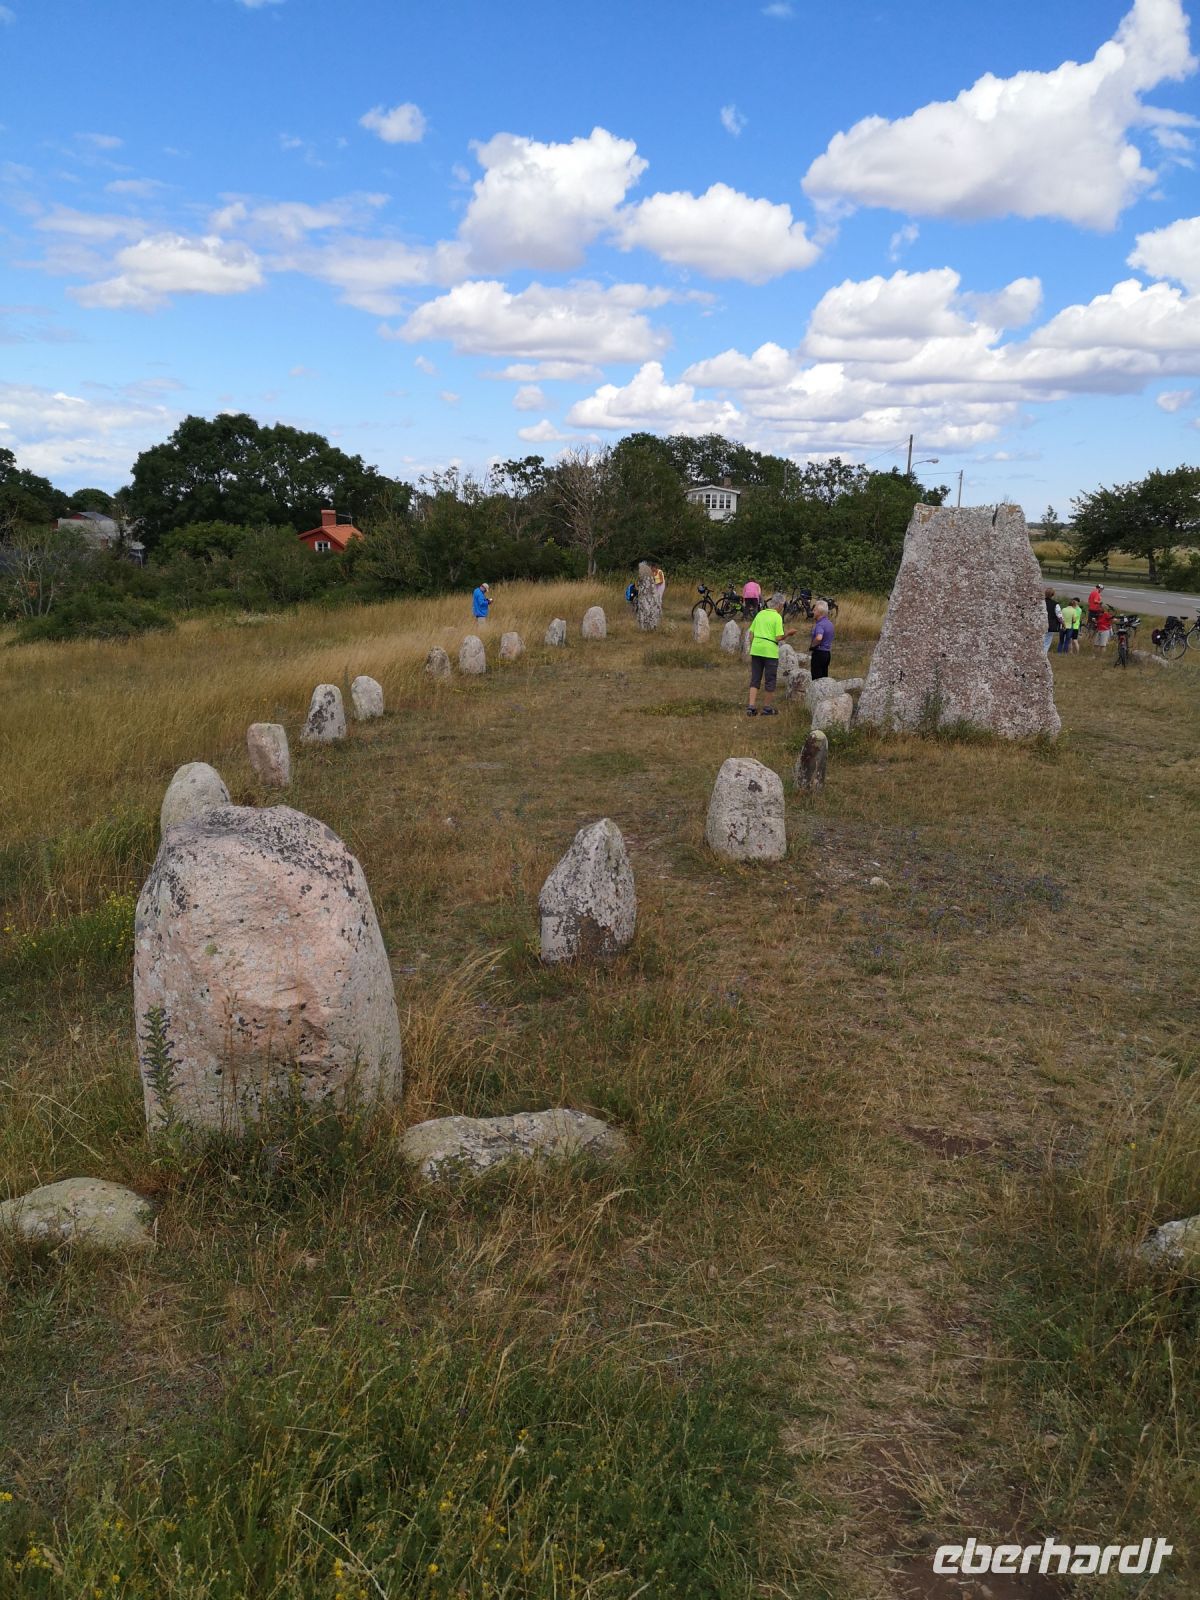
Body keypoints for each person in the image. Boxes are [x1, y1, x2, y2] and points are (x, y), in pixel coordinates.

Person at [746, 592, 795, 716]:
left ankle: (751, 707)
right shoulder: (777, 617)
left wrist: (755, 645)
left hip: (756, 649)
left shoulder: (760, 614)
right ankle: (767, 708)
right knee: (770, 679)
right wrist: (788, 633)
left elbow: (751, 633)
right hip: (770, 652)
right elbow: (778, 637)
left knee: (755, 678)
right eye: (783, 605)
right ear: (780, 605)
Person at [809, 599, 834, 679]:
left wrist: (812, 645)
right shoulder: (830, 623)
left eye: (815, 610)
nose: (813, 611)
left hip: (819, 653)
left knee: (816, 678)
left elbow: (819, 637)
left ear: (819, 612)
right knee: (824, 677)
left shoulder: (820, 625)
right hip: (827, 653)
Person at [1044, 588, 1062, 654]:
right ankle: (1044, 655)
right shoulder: (1055, 604)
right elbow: (1059, 616)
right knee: (1047, 641)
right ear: (1053, 594)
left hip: (1040, 623)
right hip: (1051, 625)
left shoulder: (1041, 602)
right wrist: (1063, 623)